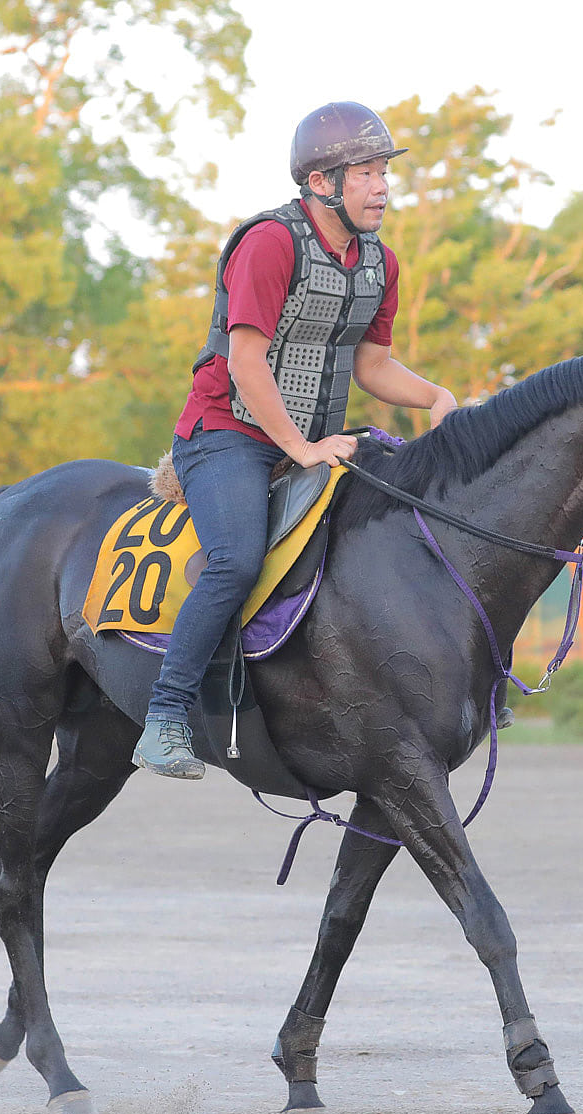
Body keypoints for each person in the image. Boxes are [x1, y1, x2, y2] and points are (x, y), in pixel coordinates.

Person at [132, 101, 459, 779]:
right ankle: (164, 716)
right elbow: (247, 362)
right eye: (366, 173)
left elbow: (370, 365)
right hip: (226, 435)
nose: (382, 187)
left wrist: (435, 396)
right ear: (320, 183)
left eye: (383, 173)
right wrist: (304, 449)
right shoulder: (269, 244)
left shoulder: (380, 262)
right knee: (236, 558)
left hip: (309, 439)